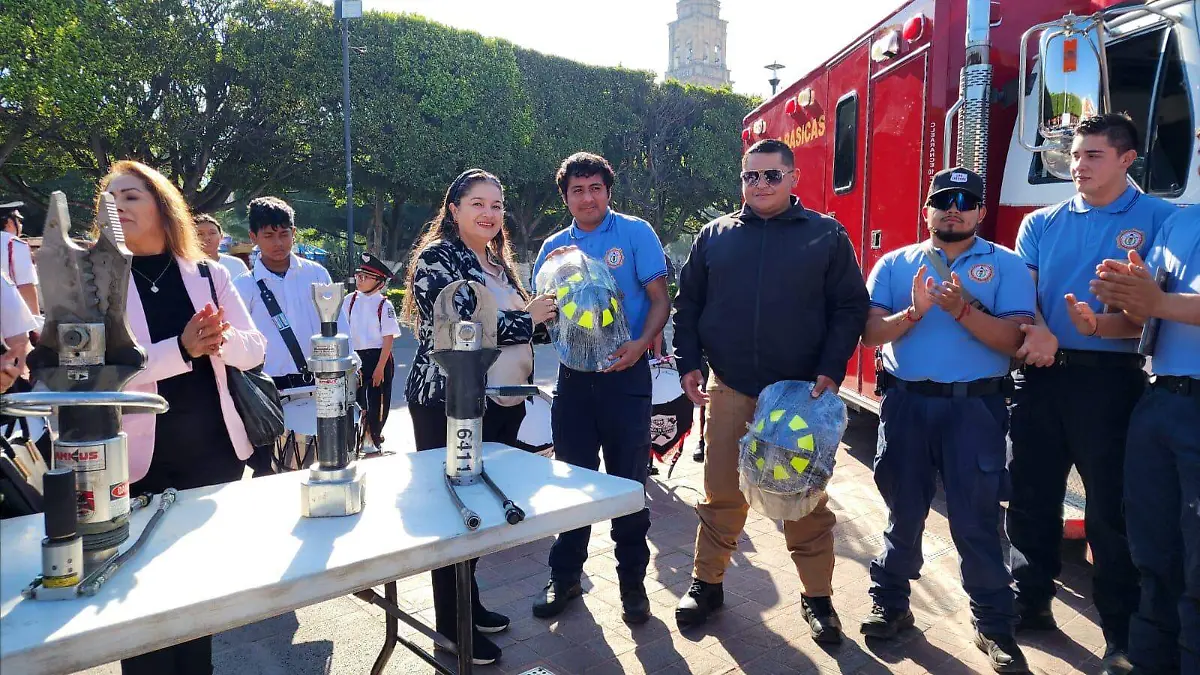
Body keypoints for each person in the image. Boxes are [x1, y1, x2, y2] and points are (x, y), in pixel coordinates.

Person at [671, 139, 869, 641]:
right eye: (751, 176)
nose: (760, 185)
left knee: (805, 501)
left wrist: (831, 366)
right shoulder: (715, 235)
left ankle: (818, 598)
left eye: (771, 176)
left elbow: (850, 306)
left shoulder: (826, 235)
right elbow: (688, 304)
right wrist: (689, 362)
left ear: (793, 178)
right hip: (731, 388)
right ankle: (707, 584)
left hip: (801, 396)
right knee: (720, 494)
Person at [1005, 113, 1179, 674]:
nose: (1078, 166)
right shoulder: (1041, 222)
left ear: (1128, 159)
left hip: (1113, 383)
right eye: (1074, 156)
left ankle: (1119, 634)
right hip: (1041, 374)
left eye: (1093, 155)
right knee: (1031, 495)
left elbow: (1156, 315)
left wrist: (1104, 322)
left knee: (1111, 510)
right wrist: (1040, 330)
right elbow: (1022, 295)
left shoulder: (1163, 220)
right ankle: (1028, 603)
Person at [860, 167, 1033, 671]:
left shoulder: (1008, 265)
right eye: (942, 199)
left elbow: (1013, 342)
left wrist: (962, 312)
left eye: (965, 200)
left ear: (981, 212)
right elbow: (871, 334)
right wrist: (911, 314)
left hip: (975, 409)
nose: (953, 207)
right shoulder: (894, 264)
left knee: (976, 518)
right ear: (926, 210)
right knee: (903, 511)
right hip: (907, 406)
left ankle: (994, 624)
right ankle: (890, 605)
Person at [97, 160, 266, 675]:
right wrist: (182, 349)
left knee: (197, 588)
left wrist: (219, 341)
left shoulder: (210, 274)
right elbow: (99, 373)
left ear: (161, 208)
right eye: (111, 199)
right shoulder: (97, 281)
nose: (118, 207)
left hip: (213, 452)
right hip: (133, 460)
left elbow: (255, 349)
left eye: (131, 197)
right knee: (134, 588)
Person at [401, 168, 555, 666]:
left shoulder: (496, 261)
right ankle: (450, 624)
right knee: (453, 508)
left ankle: (470, 602)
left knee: (484, 506)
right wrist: (528, 318)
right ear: (453, 209)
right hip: (449, 401)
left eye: (496, 205)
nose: (490, 214)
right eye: (478, 204)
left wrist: (547, 319)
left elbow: (521, 328)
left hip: (502, 403)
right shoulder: (436, 259)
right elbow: (459, 324)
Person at [529, 152, 671, 626]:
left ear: (608, 190)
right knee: (572, 483)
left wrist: (640, 344)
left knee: (629, 483)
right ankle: (565, 576)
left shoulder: (635, 233)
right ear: (566, 196)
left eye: (595, 188)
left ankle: (632, 584)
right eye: (577, 190)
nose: (587, 198)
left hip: (625, 377)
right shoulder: (554, 248)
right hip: (573, 381)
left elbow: (659, 300)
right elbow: (544, 312)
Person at [1063, 197, 1200, 674]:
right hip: (1161, 399)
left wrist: (1157, 301)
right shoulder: (1181, 222)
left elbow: (1164, 303)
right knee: (1154, 550)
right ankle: (1149, 662)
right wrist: (1106, 318)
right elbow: (1152, 316)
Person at [233, 196, 332, 475]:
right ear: (253, 236)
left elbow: (336, 325)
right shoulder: (243, 286)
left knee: (323, 471)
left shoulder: (317, 274)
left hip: (317, 391)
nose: (278, 243)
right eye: (268, 235)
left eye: (284, 234)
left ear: (293, 233)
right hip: (268, 398)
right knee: (269, 476)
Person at [339, 252, 401, 452]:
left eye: (366, 277)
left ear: (380, 283)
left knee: (378, 400)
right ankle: (355, 439)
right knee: (353, 400)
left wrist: (380, 368)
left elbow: (388, 338)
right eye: (359, 276)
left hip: (378, 356)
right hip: (355, 356)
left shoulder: (384, 304)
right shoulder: (349, 300)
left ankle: (373, 438)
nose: (360, 280)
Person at [0, 200, 41, 318]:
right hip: (9, 319)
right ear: (9, 222)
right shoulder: (14, 244)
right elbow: (26, 285)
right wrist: (36, 321)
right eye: (19, 221)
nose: (21, 225)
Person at [194, 212, 250, 279]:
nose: (207, 237)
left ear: (221, 236)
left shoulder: (236, 264)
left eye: (212, 233)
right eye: (200, 234)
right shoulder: (185, 267)